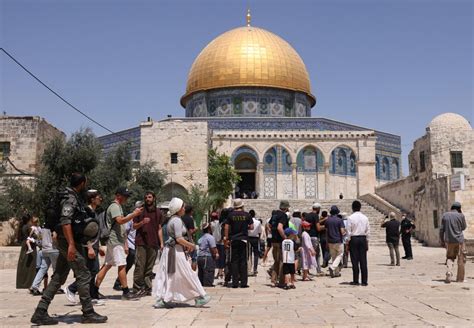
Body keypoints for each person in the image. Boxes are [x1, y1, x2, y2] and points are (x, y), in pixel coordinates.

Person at [31, 173, 107, 325]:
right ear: (82, 183)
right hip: (67, 241)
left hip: (67, 240)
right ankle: (88, 312)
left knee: (59, 275)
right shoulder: (70, 198)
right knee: (84, 274)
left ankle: (40, 311)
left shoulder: (73, 196)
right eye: (86, 183)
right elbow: (66, 222)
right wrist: (71, 245)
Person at [153, 197, 210, 308]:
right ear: (178, 208)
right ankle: (200, 296)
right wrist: (192, 246)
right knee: (185, 273)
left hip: (173, 251)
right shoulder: (177, 220)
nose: (184, 208)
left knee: (173, 275)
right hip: (174, 252)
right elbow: (179, 238)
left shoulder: (174, 219)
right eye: (183, 206)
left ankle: (164, 298)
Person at [94, 187, 143, 301]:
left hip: (114, 240)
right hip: (115, 240)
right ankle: (126, 292)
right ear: (118, 195)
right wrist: (134, 214)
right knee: (122, 265)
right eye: (125, 195)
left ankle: (94, 290)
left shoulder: (116, 206)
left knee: (107, 265)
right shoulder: (115, 206)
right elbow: (120, 221)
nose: (127, 198)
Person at [66, 190, 104, 306]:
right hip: (88, 246)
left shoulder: (93, 212)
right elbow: (85, 232)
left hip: (95, 245)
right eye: (98, 197)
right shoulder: (86, 212)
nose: (100, 199)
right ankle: (72, 288)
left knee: (93, 270)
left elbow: (95, 231)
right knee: (90, 271)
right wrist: (90, 247)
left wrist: (100, 245)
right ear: (92, 199)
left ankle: (91, 296)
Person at [133, 191, 163, 296]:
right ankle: (137, 288)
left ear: (154, 198)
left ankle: (147, 288)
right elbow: (134, 226)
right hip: (141, 242)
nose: (147, 199)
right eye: (146, 197)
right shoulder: (140, 211)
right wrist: (142, 223)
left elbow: (159, 228)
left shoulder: (158, 212)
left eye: (149, 197)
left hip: (153, 243)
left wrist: (161, 243)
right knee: (140, 266)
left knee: (149, 268)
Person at [224, 199, 253, 288]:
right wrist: (244, 226)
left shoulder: (230, 215)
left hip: (234, 240)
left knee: (234, 261)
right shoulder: (247, 215)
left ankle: (235, 283)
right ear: (242, 206)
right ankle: (244, 283)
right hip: (243, 240)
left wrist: (226, 238)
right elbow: (251, 227)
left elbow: (226, 227)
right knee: (243, 261)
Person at [113, 201, 140, 292]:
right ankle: (118, 282)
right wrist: (126, 244)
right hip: (131, 244)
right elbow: (124, 231)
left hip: (140, 244)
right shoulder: (130, 217)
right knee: (128, 263)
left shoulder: (144, 217)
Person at [440, 202, 467, 283]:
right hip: (460, 241)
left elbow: (442, 230)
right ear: (459, 208)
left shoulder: (445, 215)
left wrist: (442, 240)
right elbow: (464, 227)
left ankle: (449, 271)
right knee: (461, 259)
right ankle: (460, 279)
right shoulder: (461, 215)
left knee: (450, 257)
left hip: (449, 240)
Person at [30, 226, 59, 296]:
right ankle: (55, 287)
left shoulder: (43, 227)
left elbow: (39, 238)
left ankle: (34, 286)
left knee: (43, 269)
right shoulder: (53, 226)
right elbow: (54, 236)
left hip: (44, 250)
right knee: (56, 269)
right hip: (53, 249)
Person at [346, 200, 370, 286]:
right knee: (363, 260)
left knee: (355, 260)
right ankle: (364, 281)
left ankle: (355, 280)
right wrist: (367, 241)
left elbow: (348, 231)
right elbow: (368, 231)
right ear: (360, 208)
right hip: (363, 239)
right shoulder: (365, 218)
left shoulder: (350, 218)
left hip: (354, 239)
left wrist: (348, 242)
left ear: (352, 208)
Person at [269, 200, 290, 288]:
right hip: (280, 241)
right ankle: (281, 281)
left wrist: (273, 233)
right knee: (282, 261)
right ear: (286, 208)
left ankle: (273, 281)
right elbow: (279, 227)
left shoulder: (274, 214)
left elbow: (269, 225)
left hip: (274, 241)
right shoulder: (283, 215)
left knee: (276, 261)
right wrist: (285, 237)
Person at [17, 214, 37, 290]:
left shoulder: (22, 227)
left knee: (24, 265)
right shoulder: (28, 227)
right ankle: (29, 283)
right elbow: (34, 236)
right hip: (30, 246)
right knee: (30, 265)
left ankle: (22, 282)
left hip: (24, 245)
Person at [325, 206, 345, 278]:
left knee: (334, 257)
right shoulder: (340, 220)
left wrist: (327, 242)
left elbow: (326, 232)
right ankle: (332, 267)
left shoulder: (327, 220)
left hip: (330, 241)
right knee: (340, 255)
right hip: (338, 241)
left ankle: (336, 273)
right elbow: (342, 232)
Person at [197, 222, 219, 287]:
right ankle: (208, 284)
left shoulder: (201, 238)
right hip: (207, 257)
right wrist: (216, 254)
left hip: (200, 257)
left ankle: (201, 283)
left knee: (201, 272)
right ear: (209, 229)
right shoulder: (210, 237)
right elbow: (213, 248)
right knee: (209, 271)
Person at [304, 203, 322, 274]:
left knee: (307, 253)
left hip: (307, 236)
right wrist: (324, 227)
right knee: (317, 254)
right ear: (318, 209)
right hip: (314, 236)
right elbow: (318, 228)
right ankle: (318, 270)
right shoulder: (316, 216)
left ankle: (306, 270)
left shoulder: (307, 215)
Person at [181, 205, 198, 271]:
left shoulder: (181, 218)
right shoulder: (190, 219)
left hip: (182, 240)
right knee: (194, 258)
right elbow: (191, 232)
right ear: (191, 211)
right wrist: (196, 229)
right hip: (189, 241)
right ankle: (193, 274)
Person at [210, 211, 225, 279]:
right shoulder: (221, 223)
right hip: (221, 242)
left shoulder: (211, 224)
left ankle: (216, 272)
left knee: (215, 258)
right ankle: (221, 272)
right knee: (221, 258)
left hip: (214, 243)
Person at [247, 209, 262, 276]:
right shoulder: (258, 222)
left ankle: (249, 269)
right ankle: (255, 269)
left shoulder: (247, 221)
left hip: (248, 238)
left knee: (248, 254)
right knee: (256, 254)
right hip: (255, 238)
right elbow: (259, 232)